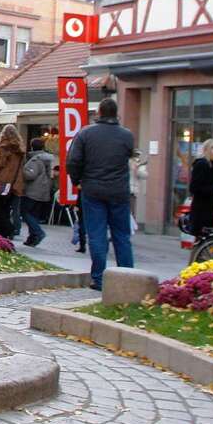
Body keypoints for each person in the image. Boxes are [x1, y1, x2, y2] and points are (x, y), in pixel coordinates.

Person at [67, 98, 135, 291]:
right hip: (119, 191)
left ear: (99, 112)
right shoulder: (126, 135)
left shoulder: (86, 134)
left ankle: (99, 278)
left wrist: (77, 181)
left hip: (93, 190)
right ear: (116, 113)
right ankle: (128, 278)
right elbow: (129, 155)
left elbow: (73, 161)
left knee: (96, 235)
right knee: (122, 235)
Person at [0, 125, 26, 239]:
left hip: (1, 181)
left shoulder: (3, 147)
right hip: (13, 183)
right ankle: (2, 233)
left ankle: (8, 229)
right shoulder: (19, 150)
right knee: (5, 208)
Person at [21, 137, 55, 247]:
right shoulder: (47, 159)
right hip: (43, 191)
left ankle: (38, 232)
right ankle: (32, 238)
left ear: (32, 146)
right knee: (34, 214)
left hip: (33, 191)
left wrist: (22, 171)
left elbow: (31, 175)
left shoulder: (35, 159)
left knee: (25, 212)